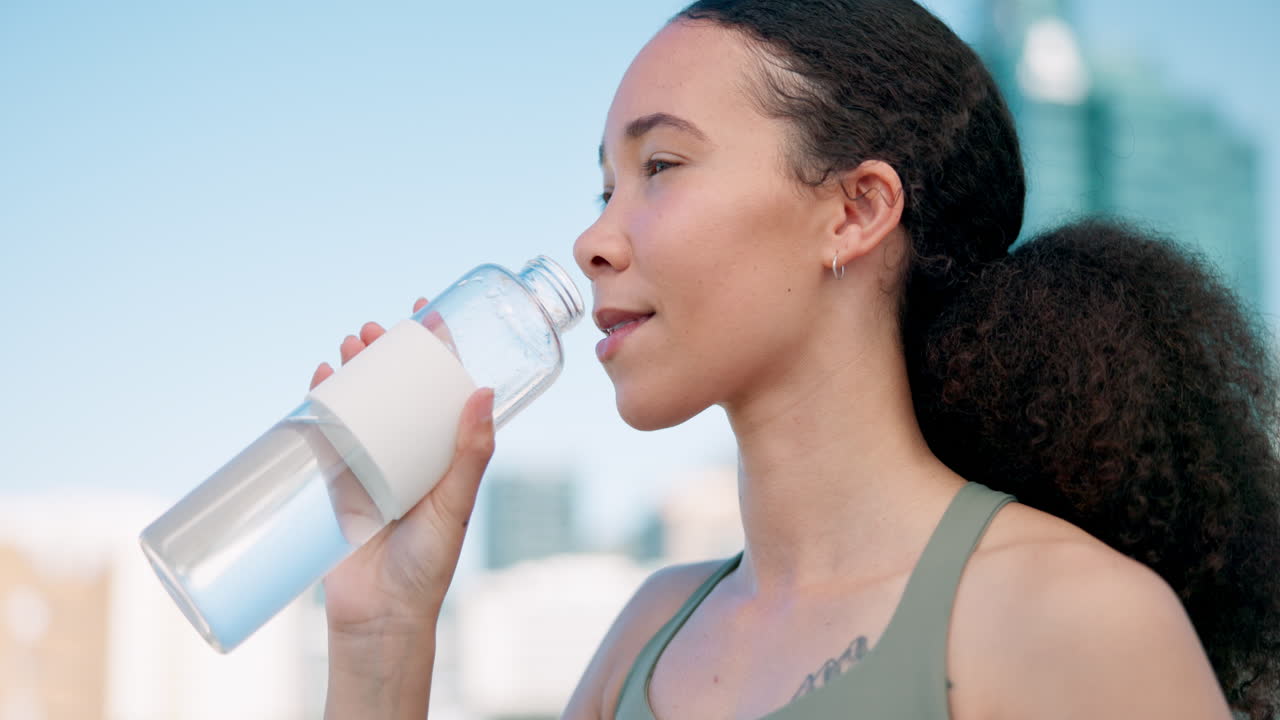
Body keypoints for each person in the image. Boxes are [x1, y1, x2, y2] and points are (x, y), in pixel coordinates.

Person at [312, 1, 1280, 718]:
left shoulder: (1068, 615)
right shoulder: (649, 634)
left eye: (659, 167)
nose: (591, 241)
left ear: (854, 211)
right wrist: (382, 630)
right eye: (602, 185)